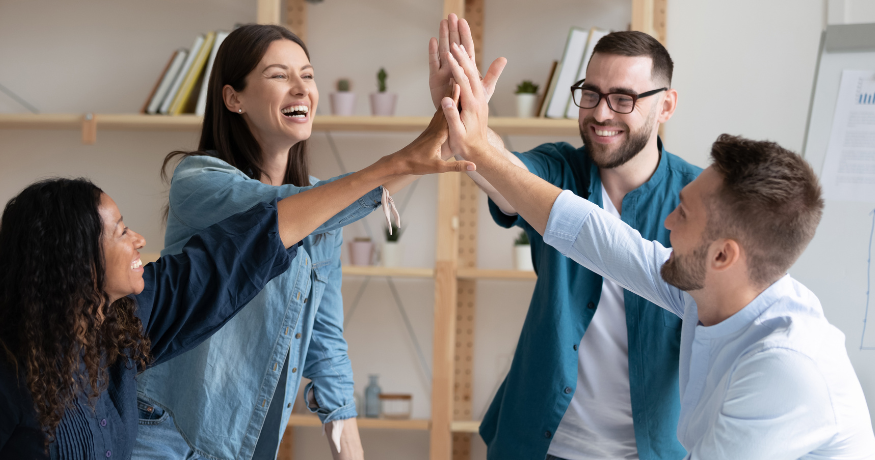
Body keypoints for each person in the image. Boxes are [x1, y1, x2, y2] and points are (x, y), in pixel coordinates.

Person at [438, 41, 875, 459]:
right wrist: (475, 141)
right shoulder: (707, 290)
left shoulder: (785, 366)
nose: (666, 223)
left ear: (722, 256)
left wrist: (477, 146)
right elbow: (593, 236)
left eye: (682, 215)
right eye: (591, 93)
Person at [0, 129, 466, 459]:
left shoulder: (127, 320)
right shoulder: (10, 369)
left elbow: (248, 246)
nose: (139, 239)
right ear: (74, 258)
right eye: (121, 231)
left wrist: (403, 163)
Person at [133, 24, 471, 460]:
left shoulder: (321, 208)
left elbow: (325, 344)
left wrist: (449, 116)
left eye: (307, 75)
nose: (301, 88)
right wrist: (414, 152)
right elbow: (276, 216)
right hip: (171, 434)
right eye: (279, 75)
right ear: (234, 98)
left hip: (250, 439)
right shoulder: (198, 181)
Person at [429, 16, 697, 459]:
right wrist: (464, 121)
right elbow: (504, 173)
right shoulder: (560, 169)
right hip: (538, 444)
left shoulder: (698, 201)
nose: (601, 113)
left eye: (623, 98)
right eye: (590, 94)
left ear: (665, 106)